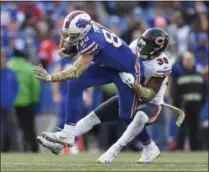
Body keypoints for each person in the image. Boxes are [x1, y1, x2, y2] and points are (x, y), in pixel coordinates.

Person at [37, 28, 184, 163]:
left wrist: (135, 84)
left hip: (151, 103)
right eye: (141, 42)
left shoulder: (161, 64)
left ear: (156, 49)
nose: (140, 47)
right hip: (130, 93)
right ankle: (63, 137)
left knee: (135, 117)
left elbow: (149, 95)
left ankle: (115, 149)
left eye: (146, 45)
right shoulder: (134, 46)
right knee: (91, 119)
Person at [33, 10, 140, 148]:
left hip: (127, 71)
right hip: (111, 67)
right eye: (67, 35)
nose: (68, 40)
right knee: (76, 84)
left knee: (127, 116)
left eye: (72, 36)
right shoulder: (87, 28)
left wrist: (50, 77)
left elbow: (76, 71)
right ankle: (68, 133)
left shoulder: (94, 39)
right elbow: (77, 44)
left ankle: (149, 145)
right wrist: (72, 47)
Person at [172, 51, 207, 151]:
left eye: (191, 59)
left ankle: (196, 149)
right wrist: (178, 105)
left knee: (195, 130)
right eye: (187, 60)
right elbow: (176, 93)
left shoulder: (199, 75)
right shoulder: (179, 76)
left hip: (196, 108)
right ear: (182, 62)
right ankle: (179, 148)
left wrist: (201, 104)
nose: (189, 62)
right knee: (182, 130)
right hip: (183, 108)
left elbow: (204, 91)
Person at [8, 49, 41, 152]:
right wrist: (34, 100)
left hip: (10, 104)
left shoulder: (7, 67)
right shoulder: (29, 68)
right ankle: (33, 149)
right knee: (29, 129)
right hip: (27, 103)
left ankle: (6, 150)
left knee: (8, 128)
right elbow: (36, 87)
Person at [0, 48, 21, 152]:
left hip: (8, 106)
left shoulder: (11, 73)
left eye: (3, 57)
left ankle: (17, 150)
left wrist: (11, 99)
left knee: (12, 127)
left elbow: (16, 87)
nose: (2, 60)